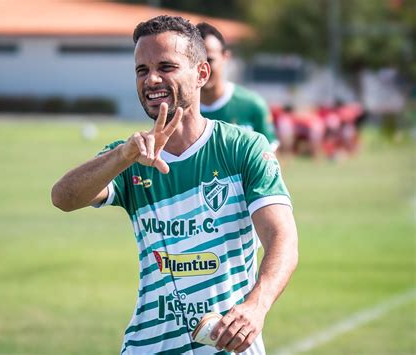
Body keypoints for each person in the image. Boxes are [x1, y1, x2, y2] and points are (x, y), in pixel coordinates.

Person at [51, 15, 298, 355]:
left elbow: (282, 238)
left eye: (166, 66)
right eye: (142, 69)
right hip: (148, 347)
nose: (151, 79)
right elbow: (63, 198)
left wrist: (257, 304)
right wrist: (122, 157)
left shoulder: (243, 148)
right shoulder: (128, 157)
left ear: (201, 73)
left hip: (230, 346)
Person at [197, 22, 280, 151]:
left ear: (226, 57)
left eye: (209, 60)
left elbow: (269, 161)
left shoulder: (252, 105)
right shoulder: (177, 109)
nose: (203, 69)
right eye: (195, 62)